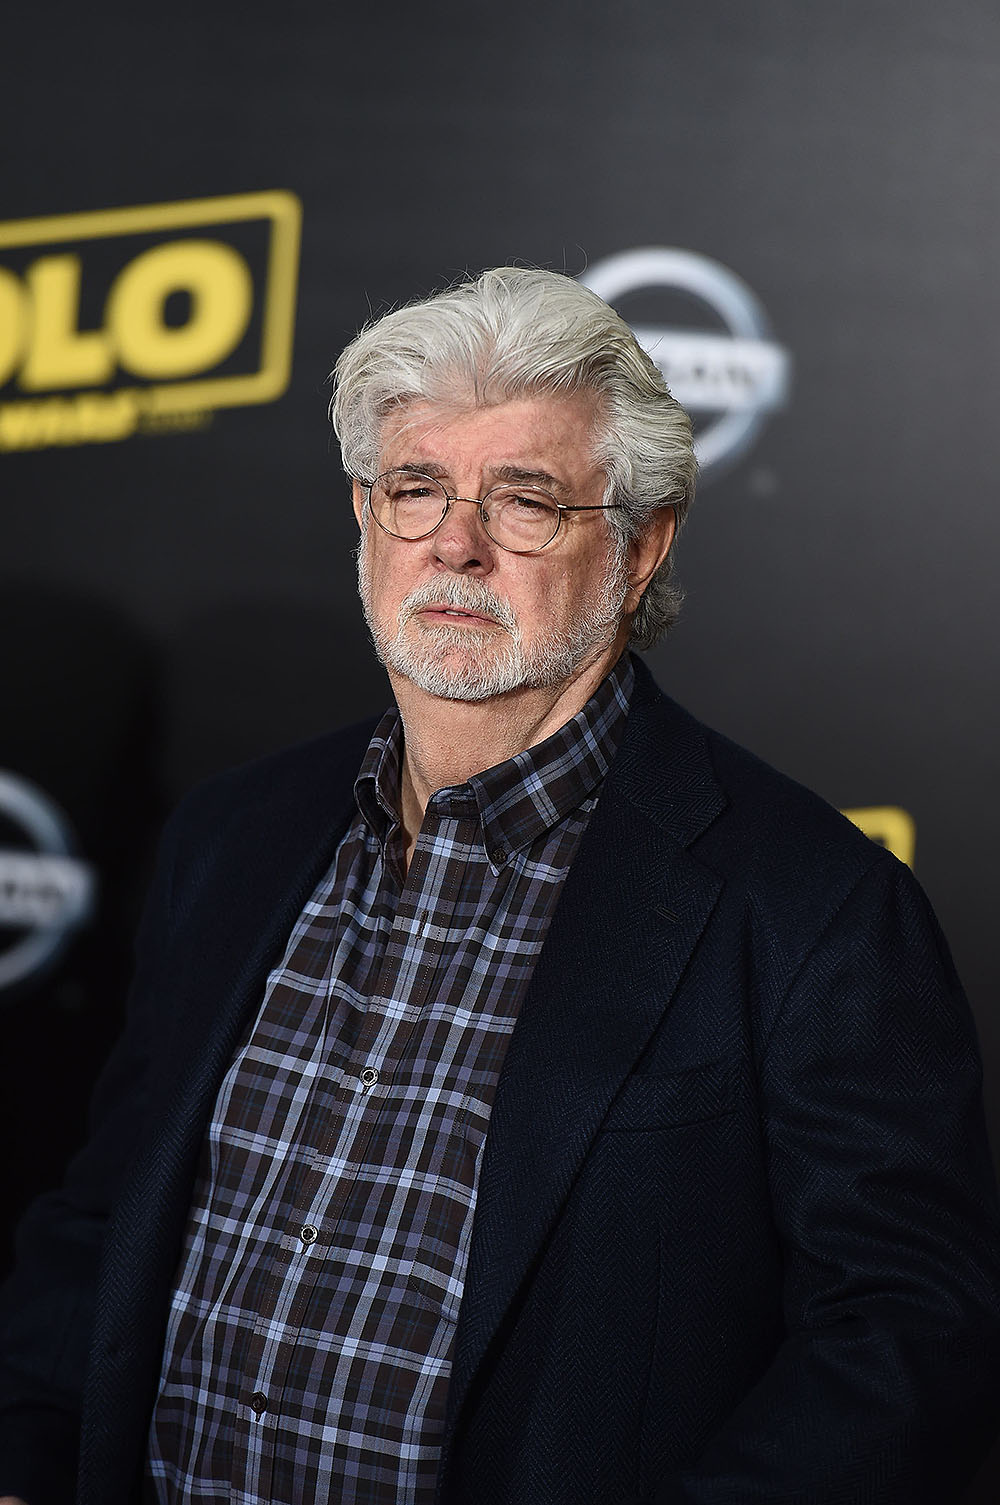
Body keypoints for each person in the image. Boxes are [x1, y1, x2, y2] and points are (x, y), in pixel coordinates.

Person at [2, 267, 999, 1505]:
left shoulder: (813, 909)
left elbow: (909, 1335)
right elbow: (108, 1213)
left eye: (524, 499)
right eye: (415, 487)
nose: (454, 542)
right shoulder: (231, 837)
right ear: (365, 512)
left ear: (640, 545)